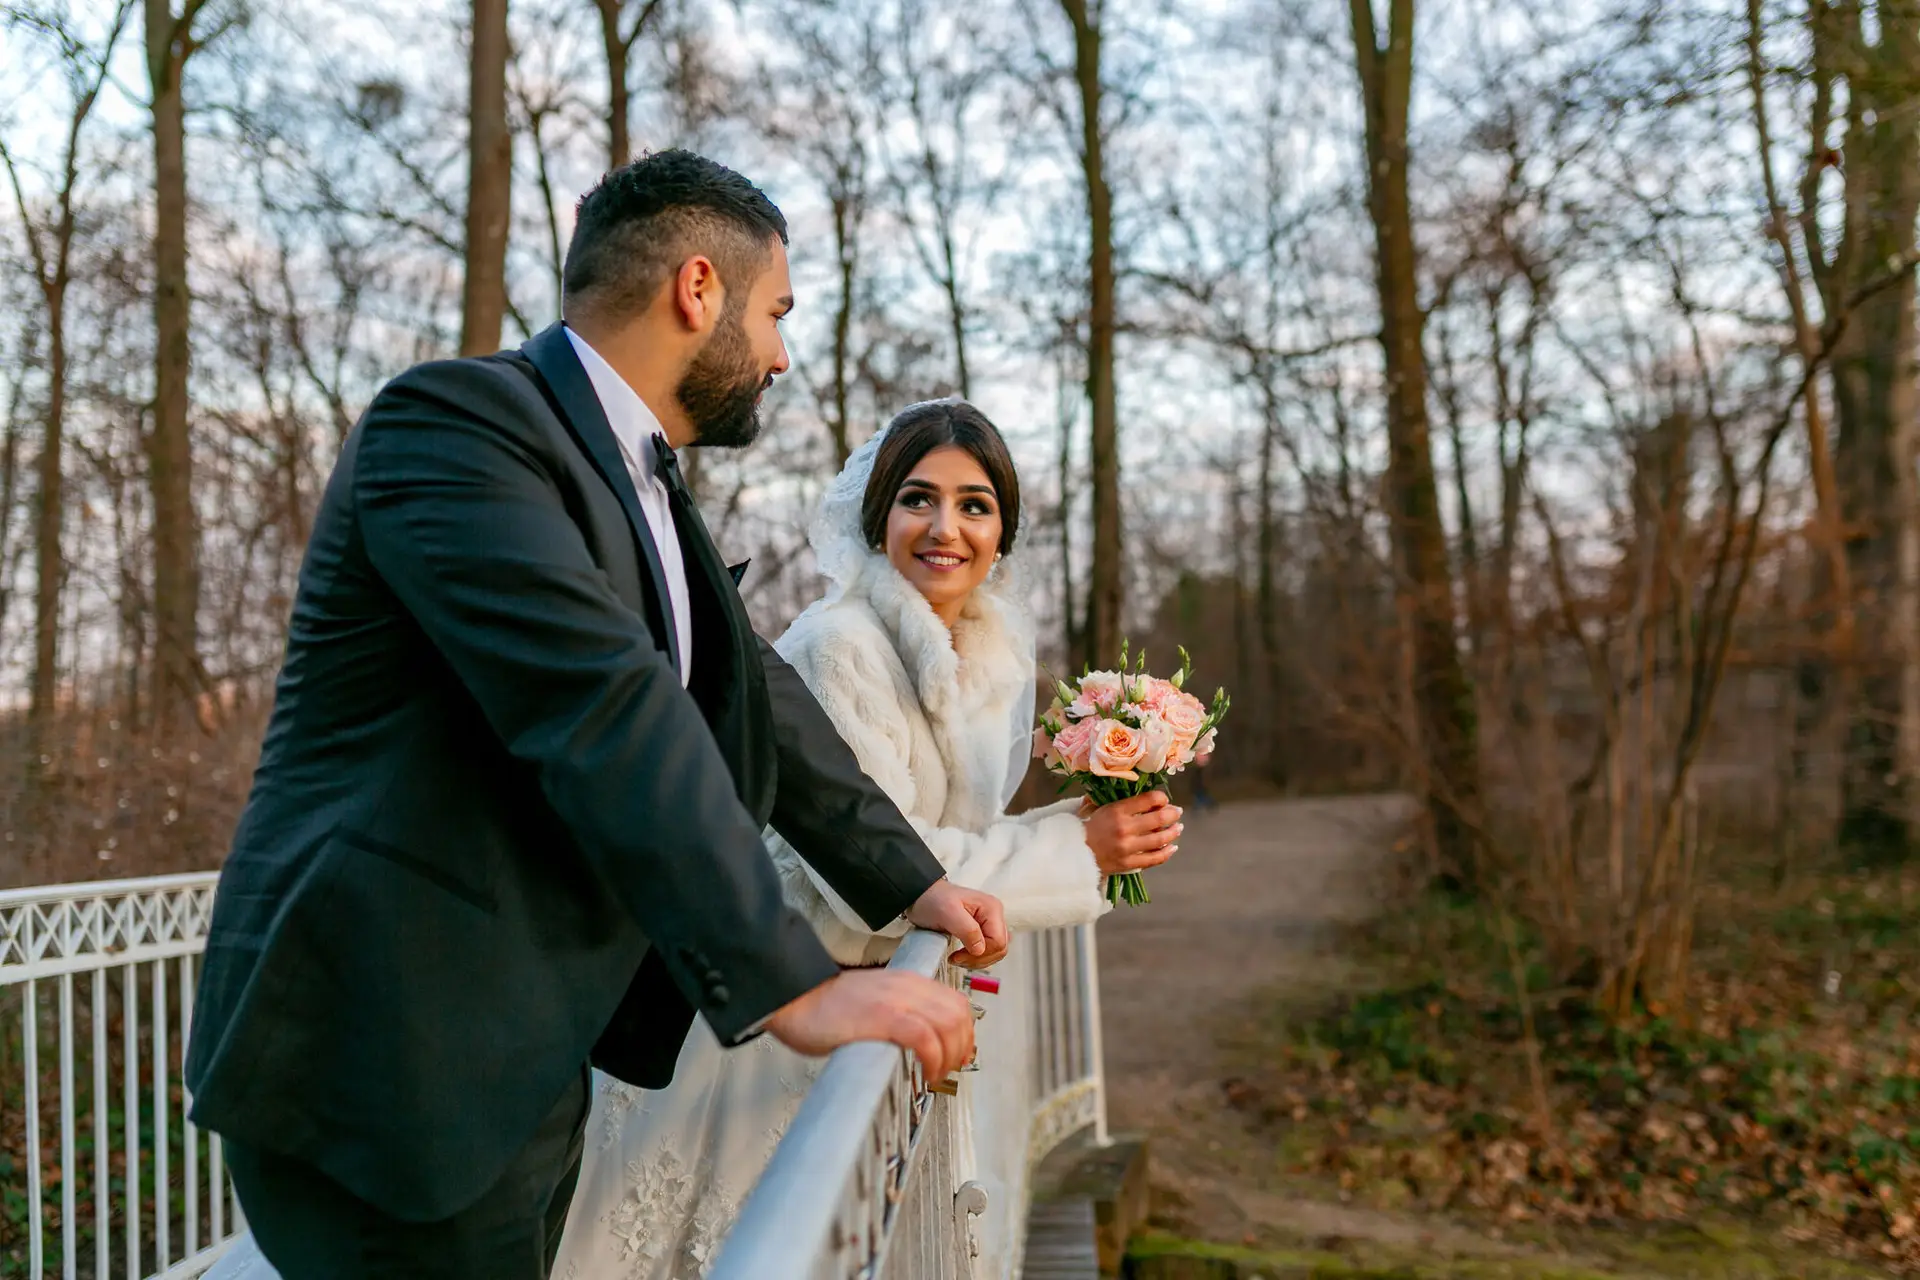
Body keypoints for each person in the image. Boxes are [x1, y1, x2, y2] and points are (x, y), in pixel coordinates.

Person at [187, 150, 1006, 1280]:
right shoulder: (454, 425)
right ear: (699, 289)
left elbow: (757, 694)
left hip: (525, 1053)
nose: (781, 354)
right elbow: (601, 699)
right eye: (777, 313)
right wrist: (791, 979)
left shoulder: (645, 478)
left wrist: (912, 879)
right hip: (384, 1063)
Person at [547, 400, 1183, 1280]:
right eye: (918, 499)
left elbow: (942, 843)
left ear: (1004, 530)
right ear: (877, 512)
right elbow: (874, 873)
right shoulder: (835, 645)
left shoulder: (986, 655)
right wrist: (1081, 855)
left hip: (869, 1022)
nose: (945, 528)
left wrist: (1068, 826)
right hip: (772, 1031)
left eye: (975, 505)